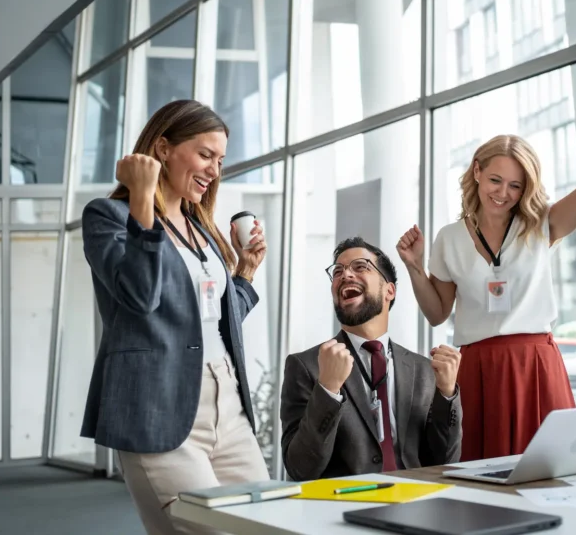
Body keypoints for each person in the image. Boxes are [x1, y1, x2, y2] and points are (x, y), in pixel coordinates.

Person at [396, 73, 576, 462]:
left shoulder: (541, 225)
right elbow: (438, 312)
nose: (503, 193)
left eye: (515, 185)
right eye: (495, 180)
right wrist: (414, 269)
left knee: (549, 470)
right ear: (476, 171)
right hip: (477, 368)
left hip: (535, 366)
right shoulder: (450, 238)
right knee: (479, 473)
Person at [81, 99, 269, 535]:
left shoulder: (200, 229)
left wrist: (244, 273)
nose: (214, 170)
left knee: (264, 525)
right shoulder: (107, 217)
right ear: (163, 149)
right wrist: (142, 199)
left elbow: (211, 321)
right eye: (205, 155)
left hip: (227, 404)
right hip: (158, 405)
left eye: (220, 160)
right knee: (205, 530)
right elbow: (139, 295)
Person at [279, 237, 463, 480]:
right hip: (345, 499)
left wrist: (447, 395)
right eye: (337, 271)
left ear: (389, 291)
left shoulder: (423, 370)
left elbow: (445, 462)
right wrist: (328, 390)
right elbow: (300, 469)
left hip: (414, 496)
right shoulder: (306, 366)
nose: (345, 275)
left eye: (360, 267)